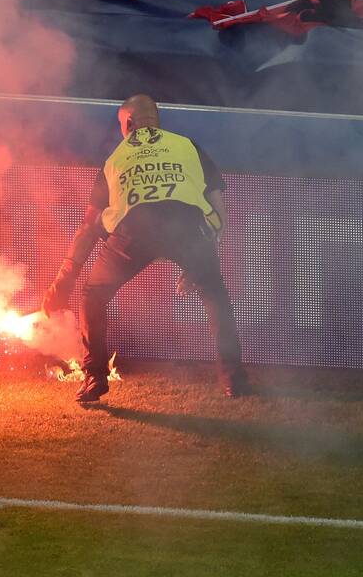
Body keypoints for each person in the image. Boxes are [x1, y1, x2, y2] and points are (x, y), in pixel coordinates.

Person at [42, 95, 248, 402]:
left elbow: (88, 227)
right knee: (216, 298)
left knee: (94, 295)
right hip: (188, 226)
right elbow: (219, 209)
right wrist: (199, 262)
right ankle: (233, 381)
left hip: (133, 229)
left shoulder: (116, 159)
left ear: (128, 123)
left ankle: (94, 378)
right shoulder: (187, 146)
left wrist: (63, 281)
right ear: (157, 120)